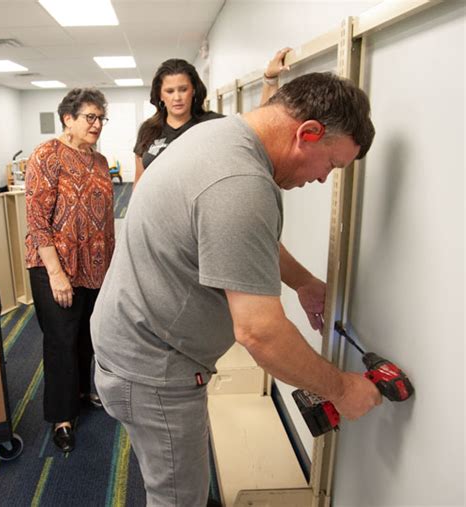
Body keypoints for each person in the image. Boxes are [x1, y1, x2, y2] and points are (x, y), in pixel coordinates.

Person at [90, 71, 381, 506]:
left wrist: (301, 282)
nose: (324, 179)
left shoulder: (222, 136)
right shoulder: (240, 183)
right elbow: (259, 332)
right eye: (332, 164)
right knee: (176, 497)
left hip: (134, 342)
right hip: (153, 368)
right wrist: (342, 389)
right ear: (309, 133)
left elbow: (239, 237)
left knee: (174, 479)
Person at [25, 88, 115, 453]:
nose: (96, 125)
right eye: (89, 118)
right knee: (61, 341)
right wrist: (56, 274)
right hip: (55, 266)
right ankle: (62, 417)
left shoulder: (99, 160)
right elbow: (37, 220)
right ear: (68, 119)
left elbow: (105, 217)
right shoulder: (47, 155)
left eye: (100, 118)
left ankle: (79, 390)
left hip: (94, 267)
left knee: (86, 336)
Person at [133, 48, 291, 187]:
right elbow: (139, 181)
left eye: (183, 89)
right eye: (170, 91)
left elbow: (259, 129)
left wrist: (270, 79)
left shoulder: (214, 124)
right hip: (157, 216)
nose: (177, 97)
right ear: (160, 95)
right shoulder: (148, 129)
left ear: (193, 90)